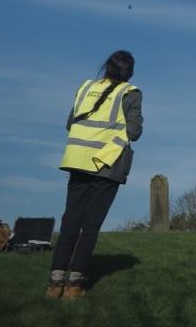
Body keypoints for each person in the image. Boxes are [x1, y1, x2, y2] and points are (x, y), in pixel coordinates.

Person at [46, 50, 143, 300]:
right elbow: (134, 131)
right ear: (129, 72)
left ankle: (55, 282)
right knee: (90, 225)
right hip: (106, 165)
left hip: (78, 161)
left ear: (106, 67)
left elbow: (71, 123)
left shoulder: (85, 87)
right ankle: (75, 284)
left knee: (70, 221)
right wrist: (109, 145)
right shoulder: (130, 92)